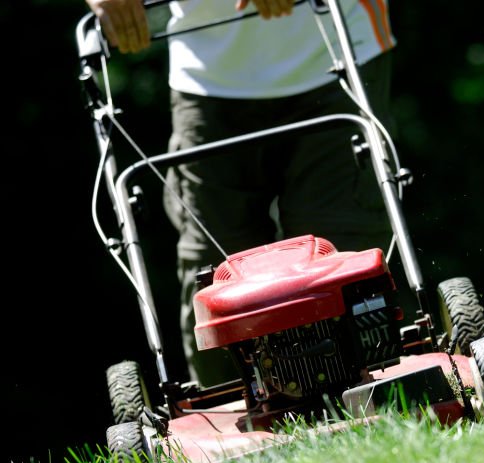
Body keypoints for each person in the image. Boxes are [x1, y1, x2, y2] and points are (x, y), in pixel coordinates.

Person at [85, 0, 395, 387]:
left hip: (334, 47)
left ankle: (383, 387)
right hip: (206, 77)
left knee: (343, 252)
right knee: (213, 272)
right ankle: (231, 414)